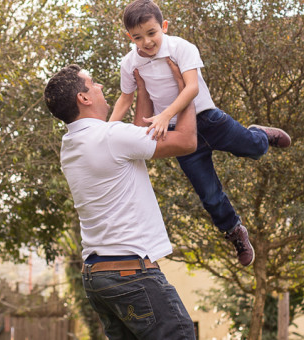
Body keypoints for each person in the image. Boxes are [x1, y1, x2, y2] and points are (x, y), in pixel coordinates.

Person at [108, 0, 292, 267]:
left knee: (255, 149)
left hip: (208, 119)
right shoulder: (130, 63)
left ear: (164, 27)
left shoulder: (181, 47)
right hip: (179, 134)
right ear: (129, 37)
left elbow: (192, 88)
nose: (146, 42)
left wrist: (165, 114)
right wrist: (106, 131)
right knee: (209, 194)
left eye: (151, 33)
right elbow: (125, 100)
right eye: (138, 37)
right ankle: (234, 230)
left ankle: (260, 135)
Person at [44, 59, 197, 339]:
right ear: (84, 97)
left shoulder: (71, 146)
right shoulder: (112, 137)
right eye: (93, 83)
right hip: (131, 275)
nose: (100, 86)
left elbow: (136, 136)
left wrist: (142, 90)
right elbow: (187, 141)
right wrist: (184, 88)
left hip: (98, 277)